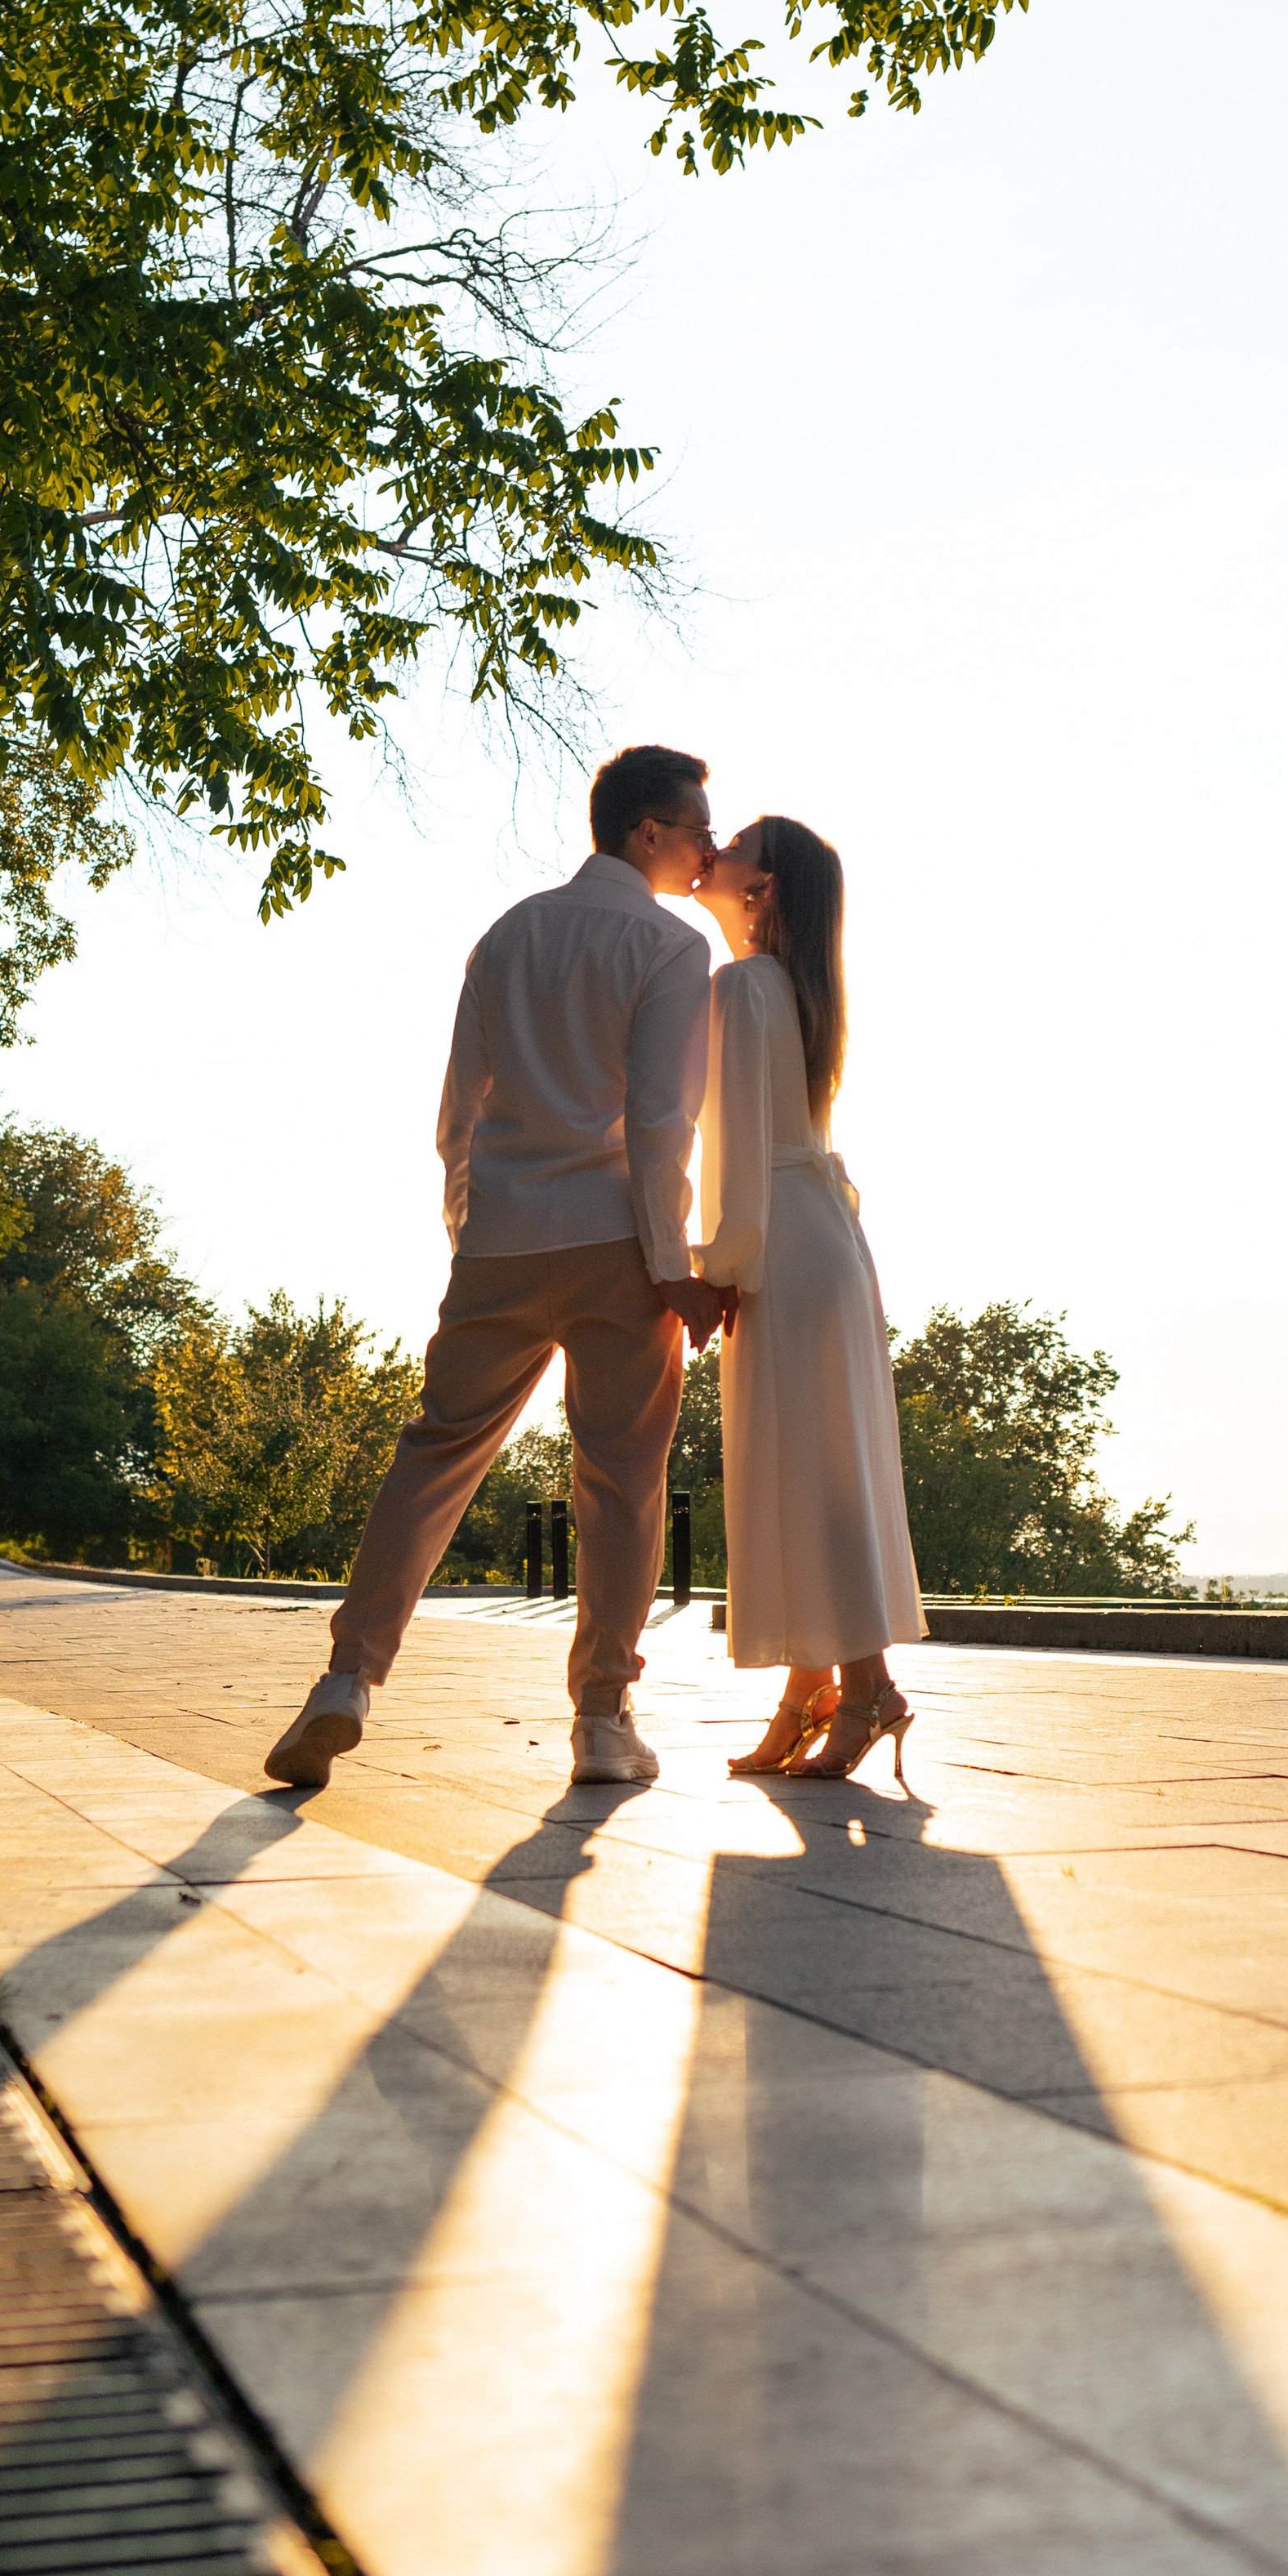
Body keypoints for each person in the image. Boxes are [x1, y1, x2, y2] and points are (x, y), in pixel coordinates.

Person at [264, 744, 727, 1792]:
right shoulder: (668, 945)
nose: (705, 843)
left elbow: (456, 1116)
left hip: (500, 1244)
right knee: (619, 1483)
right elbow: (663, 1126)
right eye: (696, 826)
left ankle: (345, 1681)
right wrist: (673, 1266)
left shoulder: (507, 935)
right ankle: (602, 1720)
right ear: (647, 833)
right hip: (617, 1242)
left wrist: (472, 1229)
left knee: (431, 1458)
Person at [690, 816, 925, 1782]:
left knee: (803, 1468)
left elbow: (732, 1149)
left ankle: (862, 1687)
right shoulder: (801, 992)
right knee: (822, 1465)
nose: (717, 851)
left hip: (782, 1235)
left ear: (766, 888)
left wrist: (718, 1268)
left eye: (737, 844)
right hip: (825, 1236)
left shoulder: (743, 987)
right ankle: (811, 1687)